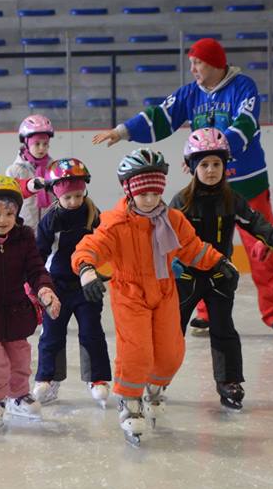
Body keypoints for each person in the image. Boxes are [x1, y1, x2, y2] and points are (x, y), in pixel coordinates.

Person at [92, 37, 273, 334]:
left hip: (247, 183)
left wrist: (207, 152)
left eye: (198, 63)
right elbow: (161, 116)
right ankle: (205, 310)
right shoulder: (190, 93)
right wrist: (123, 131)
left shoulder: (243, 87)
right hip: (207, 185)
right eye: (192, 63)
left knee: (260, 246)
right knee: (200, 247)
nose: (193, 68)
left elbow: (245, 124)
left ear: (215, 64)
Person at [71, 148, 234, 445]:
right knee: (137, 352)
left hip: (165, 290)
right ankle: (130, 400)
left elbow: (192, 248)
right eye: (143, 193)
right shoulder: (116, 222)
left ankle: (156, 387)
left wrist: (218, 261)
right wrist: (86, 270)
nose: (149, 200)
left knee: (171, 352)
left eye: (155, 193)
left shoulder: (172, 219)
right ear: (129, 190)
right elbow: (91, 247)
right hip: (130, 292)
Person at [173, 128, 273, 410]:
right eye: (204, 164)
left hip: (220, 275)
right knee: (172, 330)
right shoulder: (181, 202)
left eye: (217, 164)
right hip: (186, 276)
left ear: (225, 166)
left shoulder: (232, 200)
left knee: (224, 329)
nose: (211, 170)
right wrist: (171, 260)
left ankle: (229, 382)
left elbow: (259, 226)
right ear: (192, 167)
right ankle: (156, 377)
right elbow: (164, 237)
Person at [0, 175, 61, 431]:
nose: (3, 219)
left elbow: (36, 269)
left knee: (19, 357)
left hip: (16, 310)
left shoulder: (24, 238)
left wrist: (45, 290)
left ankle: (18, 395)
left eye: (9, 213)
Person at [32, 157, 112, 407]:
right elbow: (39, 254)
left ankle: (97, 378)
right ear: (57, 194)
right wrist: (36, 284)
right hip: (56, 285)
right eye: (68, 197)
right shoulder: (50, 220)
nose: (74, 201)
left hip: (86, 285)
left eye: (78, 195)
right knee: (51, 334)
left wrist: (104, 271)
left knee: (91, 331)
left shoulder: (93, 214)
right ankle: (48, 378)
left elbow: (106, 245)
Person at [6, 114, 56, 230]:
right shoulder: (14, 170)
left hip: (49, 227)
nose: (42, 148)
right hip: (24, 227)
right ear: (26, 143)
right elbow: (10, 201)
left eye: (45, 144)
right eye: (37, 144)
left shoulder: (53, 168)